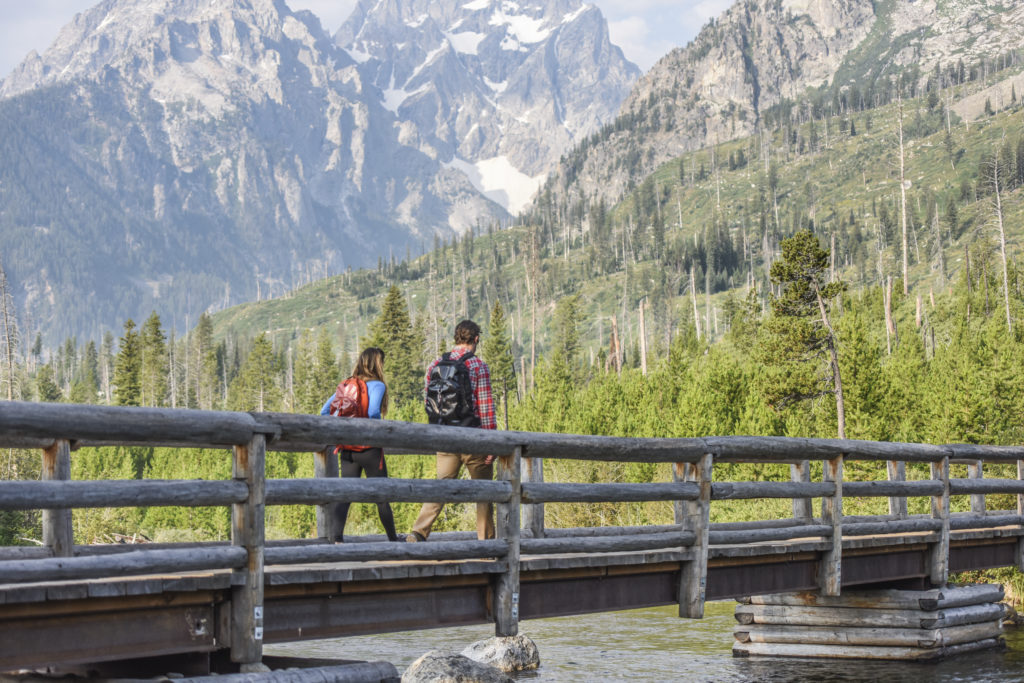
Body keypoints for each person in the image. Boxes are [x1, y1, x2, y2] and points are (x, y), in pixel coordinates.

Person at [407, 319, 496, 542]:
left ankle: (419, 532)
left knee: (441, 486)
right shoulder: (478, 366)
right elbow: (485, 409)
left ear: (456, 338)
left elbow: (429, 402)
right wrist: (492, 443)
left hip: (445, 437)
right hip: (473, 438)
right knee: (484, 492)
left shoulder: (435, 364)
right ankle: (486, 544)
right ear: (476, 339)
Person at [320, 347, 398, 543]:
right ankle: (393, 539)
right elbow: (372, 413)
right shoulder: (377, 385)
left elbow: (324, 411)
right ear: (378, 364)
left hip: (347, 449)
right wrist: (381, 432)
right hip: (370, 449)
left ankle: (336, 539)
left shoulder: (346, 384)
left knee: (346, 494)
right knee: (382, 495)